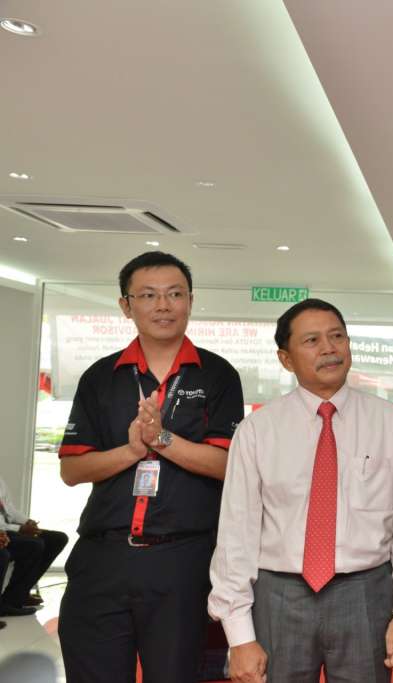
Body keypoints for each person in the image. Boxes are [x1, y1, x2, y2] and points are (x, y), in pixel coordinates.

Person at [209, 298, 393, 683]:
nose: (329, 348)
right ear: (286, 358)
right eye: (312, 340)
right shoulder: (259, 430)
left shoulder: (390, 423)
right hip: (279, 597)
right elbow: (236, 535)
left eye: (337, 336)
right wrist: (239, 636)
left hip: (366, 594)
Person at [57, 251, 244, 683]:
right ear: (126, 305)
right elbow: (72, 470)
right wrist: (130, 450)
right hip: (102, 558)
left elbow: (227, 465)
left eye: (175, 294)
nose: (164, 305)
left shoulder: (217, 375)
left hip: (183, 560)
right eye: (149, 295)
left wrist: (162, 440)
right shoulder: (100, 377)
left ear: (190, 301)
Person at [0, 474, 68, 615]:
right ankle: (11, 600)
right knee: (34, 545)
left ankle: (21, 592)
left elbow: (9, 508)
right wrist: (20, 529)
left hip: (9, 527)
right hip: (4, 530)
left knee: (57, 539)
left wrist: (27, 521)